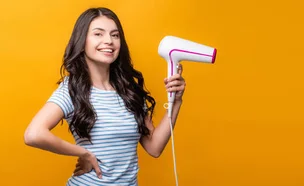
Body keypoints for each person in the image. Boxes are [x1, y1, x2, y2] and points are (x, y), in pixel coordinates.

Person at [24, 7, 185, 185]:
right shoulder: (72, 89)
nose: (108, 41)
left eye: (115, 35)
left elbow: (154, 148)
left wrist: (176, 101)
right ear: (82, 40)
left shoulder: (130, 91)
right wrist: (82, 153)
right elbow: (34, 134)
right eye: (98, 34)